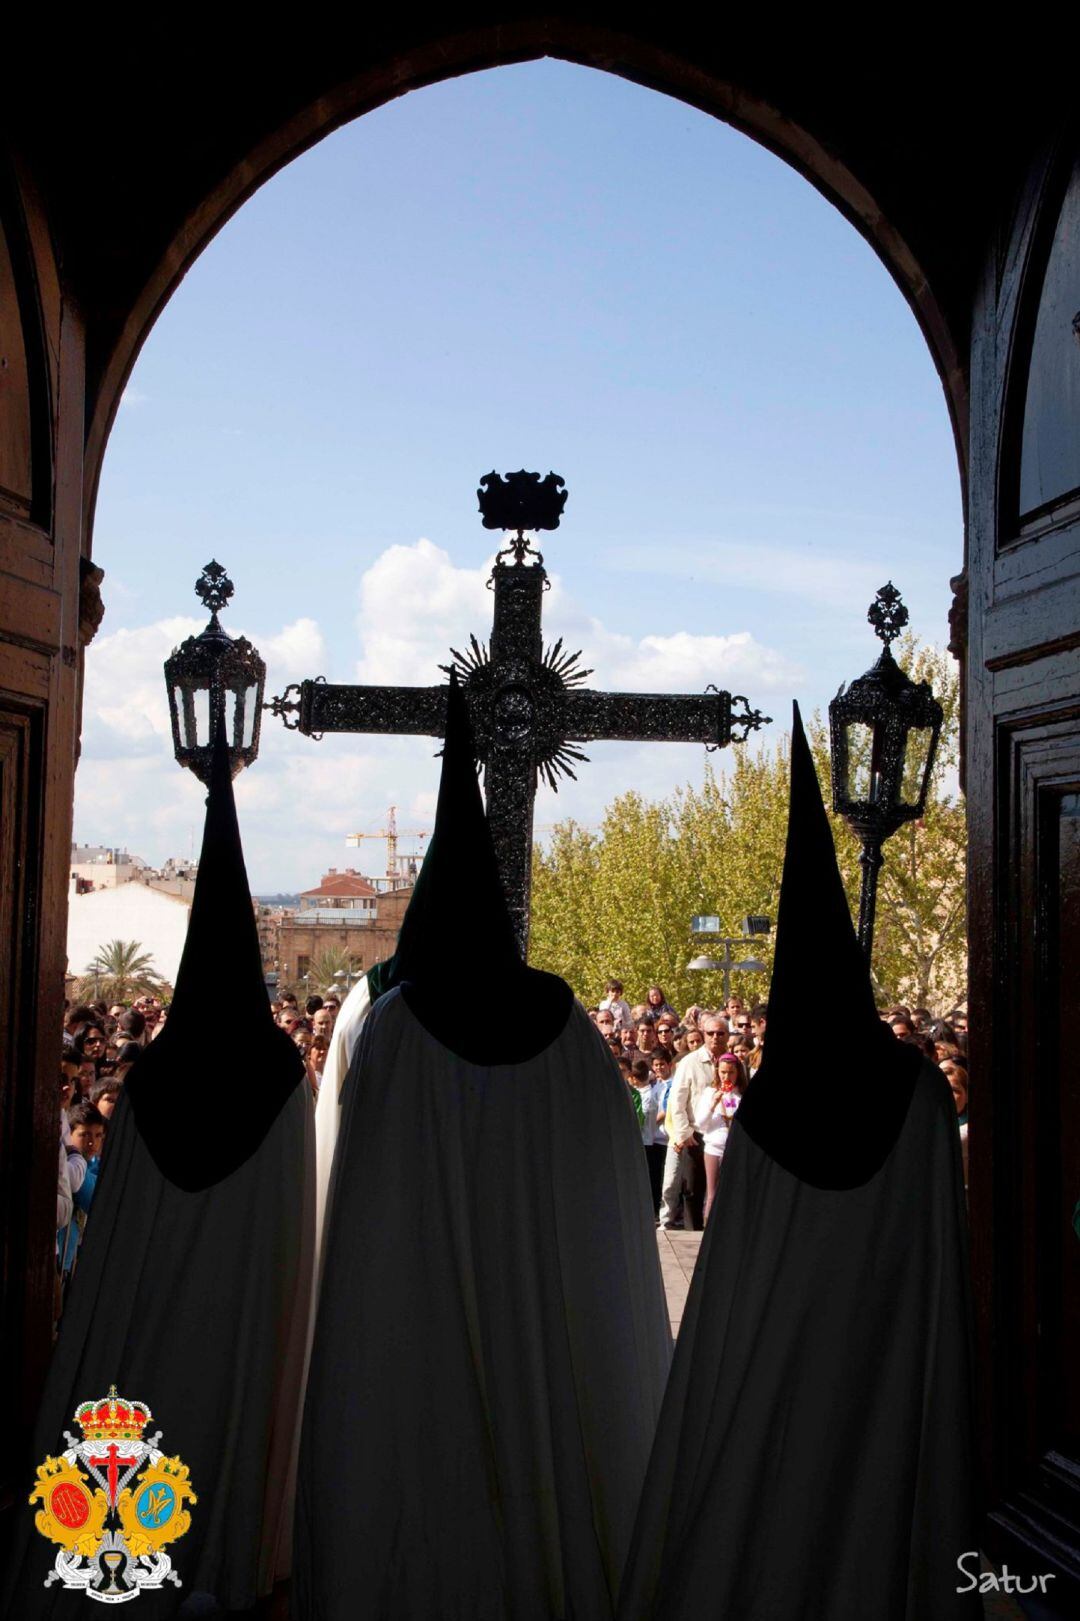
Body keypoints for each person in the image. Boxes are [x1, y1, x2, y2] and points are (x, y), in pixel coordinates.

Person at [296, 674, 671, 1620]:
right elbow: (610, 1230)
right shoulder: (574, 1028)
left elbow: (364, 1223)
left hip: (418, 1338)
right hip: (553, 1347)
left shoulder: (391, 1030)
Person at [618, 706, 979, 1621]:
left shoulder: (777, 1103)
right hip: (892, 1371)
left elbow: (736, 1289)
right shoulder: (922, 1096)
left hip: (785, 1388)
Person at [4, 731, 315, 1617]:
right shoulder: (284, 1082)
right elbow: (292, 1249)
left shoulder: (148, 1087)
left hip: (142, 1350)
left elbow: (117, 1247)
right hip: (242, 1342)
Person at [661, 1013, 728, 1230]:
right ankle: (693, 1235)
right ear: (703, 1035)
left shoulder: (733, 1062)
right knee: (692, 1189)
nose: (715, 1037)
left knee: (723, 1189)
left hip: (724, 1134)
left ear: (728, 1035)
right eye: (710, 1033)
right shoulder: (689, 1063)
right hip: (695, 1135)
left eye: (720, 1033)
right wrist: (683, 1133)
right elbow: (676, 1102)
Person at [692, 1052, 746, 1221]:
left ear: (738, 1073)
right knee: (712, 1193)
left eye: (730, 1072)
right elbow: (700, 1124)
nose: (726, 1076)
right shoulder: (710, 1093)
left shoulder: (741, 1094)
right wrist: (713, 1103)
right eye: (723, 1072)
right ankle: (709, 1228)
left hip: (736, 1150)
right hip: (714, 1149)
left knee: (734, 1193)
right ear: (717, 1072)